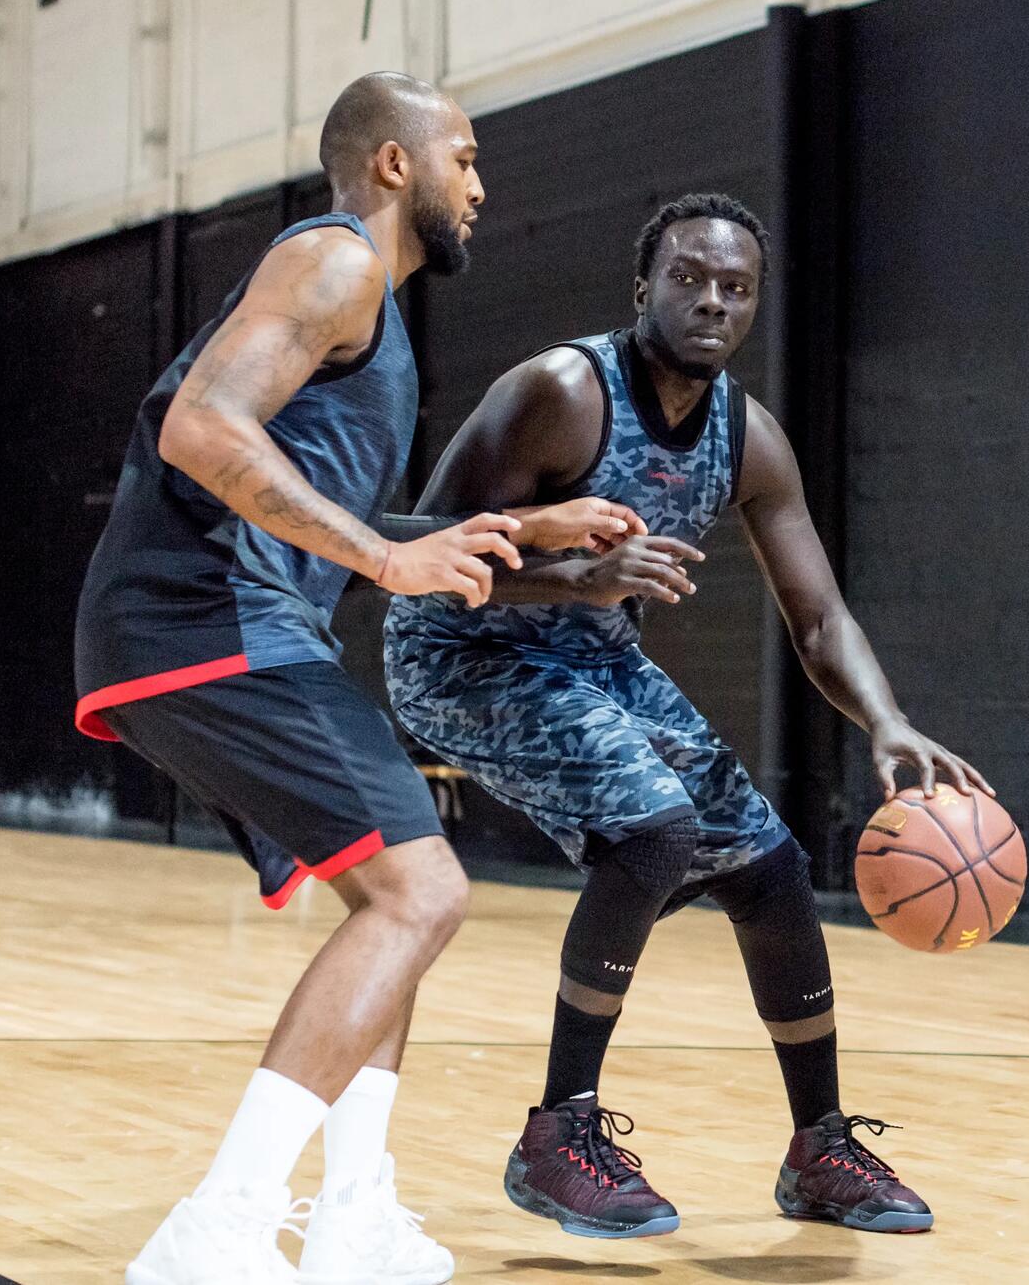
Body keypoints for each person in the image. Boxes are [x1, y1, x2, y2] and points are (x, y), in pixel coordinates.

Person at [74, 72, 641, 1285]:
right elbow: (200, 430)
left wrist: (517, 538)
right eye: (467, 161)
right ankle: (219, 1227)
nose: (482, 189)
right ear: (396, 165)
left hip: (218, 622)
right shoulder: (332, 265)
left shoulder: (364, 308)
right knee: (419, 896)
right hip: (201, 621)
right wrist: (390, 552)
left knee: (393, 907)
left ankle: (354, 1219)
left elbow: (287, 498)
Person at [382, 192, 990, 1240]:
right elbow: (420, 562)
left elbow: (819, 616)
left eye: (735, 287)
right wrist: (576, 577)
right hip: (461, 654)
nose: (712, 301)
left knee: (770, 869)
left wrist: (884, 721)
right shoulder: (562, 392)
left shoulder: (748, 439)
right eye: (689, 279)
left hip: (593, 659)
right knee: (655, 830)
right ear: (642, 288)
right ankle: (557, 1135)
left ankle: (819, 1149)